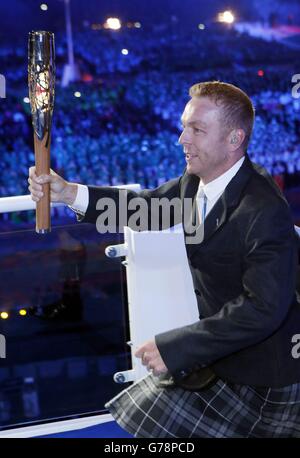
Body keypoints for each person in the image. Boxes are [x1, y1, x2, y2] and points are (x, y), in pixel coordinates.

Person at [28, 81, 300, 438]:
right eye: (184, 126)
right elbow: (143, 209)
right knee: (140, 417)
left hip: (268, 379)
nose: (181, 139)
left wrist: (177, 346)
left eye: (197, 130)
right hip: (225, 360)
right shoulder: (195, 182)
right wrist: (68, 194)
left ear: (234, 139)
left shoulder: (263, 210)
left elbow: (263, 309)